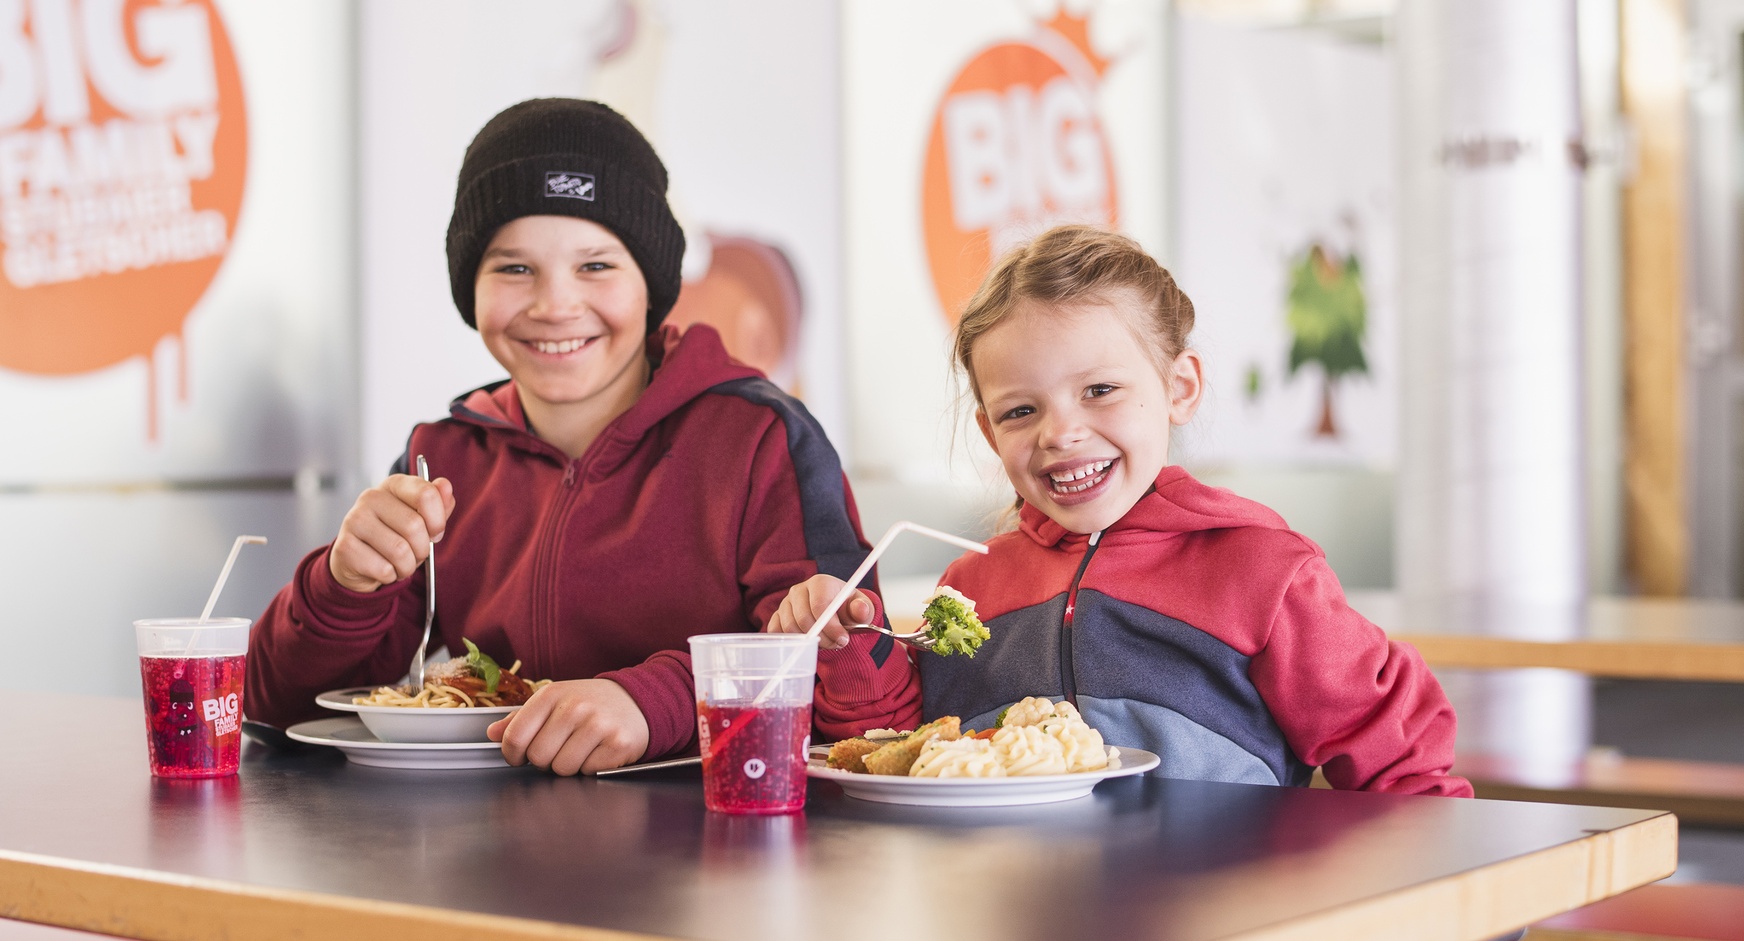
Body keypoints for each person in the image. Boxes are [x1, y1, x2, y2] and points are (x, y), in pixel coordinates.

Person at [246, 98, 916, 774]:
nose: (555, 304)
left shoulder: (759, 437)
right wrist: (342, 586)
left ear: (652, 284)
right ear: (468, 285)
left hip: (719, 851)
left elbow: (863, 717)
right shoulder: (442, 457)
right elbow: (279, 713)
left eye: (596, 266)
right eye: (513, 268)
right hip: (485, 859)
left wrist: (654, 702)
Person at [768, 225, 1470, 796]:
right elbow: (902, 747)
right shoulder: (973, 589)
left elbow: (1401, 760)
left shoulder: (1262, 570)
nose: (1059, 432)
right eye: (1020, 409)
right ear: (990, 432)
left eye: (1099, 389)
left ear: (1179, 387)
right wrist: (851, 642)